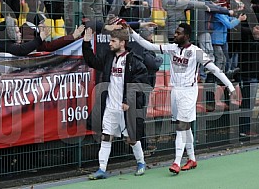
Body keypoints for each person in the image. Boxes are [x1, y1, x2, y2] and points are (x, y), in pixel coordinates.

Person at [130, 23, 236, 174]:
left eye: (178, 33)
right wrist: (131, 32)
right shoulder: (172, 48)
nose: (175, 35)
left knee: (181, 126)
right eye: (175, 32)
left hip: (188, 92)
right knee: (185, 127)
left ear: (186, 36)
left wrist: (230, 87)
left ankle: (176, 162)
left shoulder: (196, 52)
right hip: (175, 91)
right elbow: (148, 45)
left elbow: (214, 69)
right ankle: (192, 159)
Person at [83, 28, 149, 179]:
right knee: (106, 136)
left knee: (131, 139)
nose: (110, 44)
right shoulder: (108, 57)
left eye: (113, 41)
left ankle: (141, 163)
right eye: (110, 41)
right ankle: (101, 169)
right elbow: (92, 61)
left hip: (127, 108)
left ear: (122, 43)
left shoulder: (134, 61)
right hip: (110, 106)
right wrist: (86, 43)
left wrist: (128, 100)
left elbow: (141, 82)